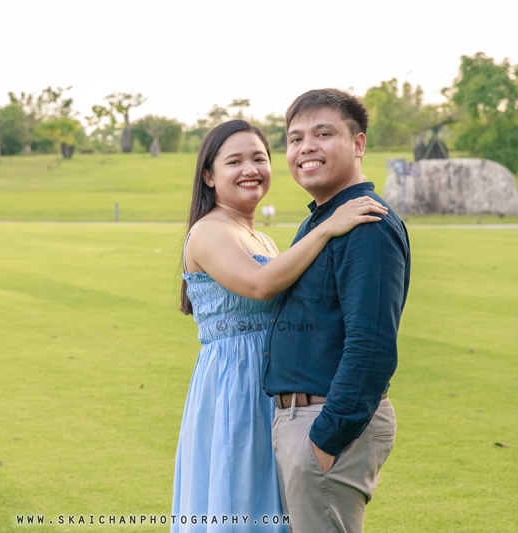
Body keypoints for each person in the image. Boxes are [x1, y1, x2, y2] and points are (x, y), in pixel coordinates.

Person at [171, 119, 388, 532]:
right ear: (209, 176)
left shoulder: (263, 240)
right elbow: (259, 284)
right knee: (240, 496)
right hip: (234, 385)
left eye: (259, 158)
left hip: (271, 382)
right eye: (234, 161)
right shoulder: (208, 231)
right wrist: (327, 227)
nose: (250, 169)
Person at [263, 89, 411, 533]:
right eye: (295, 138)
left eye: (323, 133)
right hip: (301, 421)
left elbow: (372, 348)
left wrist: (324, 441)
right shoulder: (323, 221)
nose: (305, 147)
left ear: (358, 144)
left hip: (324, 425)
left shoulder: (367, 226)